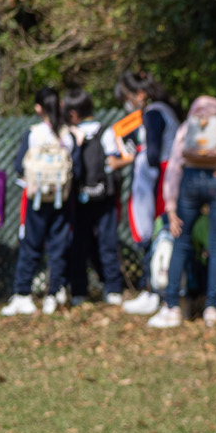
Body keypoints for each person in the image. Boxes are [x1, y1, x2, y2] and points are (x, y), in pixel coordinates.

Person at [148, 94, 216, 328]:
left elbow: (173, 165)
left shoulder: (188, 125)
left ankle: (172, 307)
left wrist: (170, 206)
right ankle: (213, 308)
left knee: (181, 241)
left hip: (190, 180)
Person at [3, 87, 73, 316]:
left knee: (31, 245)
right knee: (58, 246)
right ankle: (54, 294)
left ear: (38, 108)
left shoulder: (34, 133)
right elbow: (77, 167)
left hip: (36, 199)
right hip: (62, 200)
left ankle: (23, 294)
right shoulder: (68, 135)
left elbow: (18, 165)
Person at [117, 70, 182, 317]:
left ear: (140, 94)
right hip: (168, 174)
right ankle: (152, 289)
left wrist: (138, 156)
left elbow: (154, 154)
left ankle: (155, 290)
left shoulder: (154, 113)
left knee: (158, 231)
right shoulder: (165, 110)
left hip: (163, 177)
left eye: (128, 96)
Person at [60, 88, 125, 308]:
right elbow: (113, 161)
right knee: (108, 242)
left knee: (79, 243)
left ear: (73, 114)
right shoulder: (106, 132)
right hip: (104, 197)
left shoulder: (70, 135)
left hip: (80, 198)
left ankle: (79, 290)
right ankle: (113, 288)